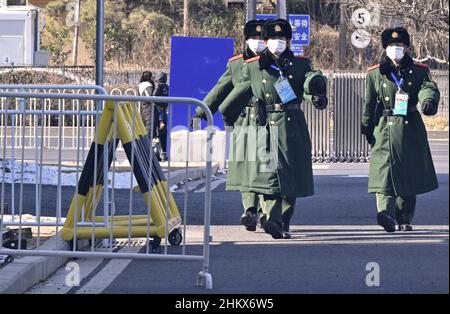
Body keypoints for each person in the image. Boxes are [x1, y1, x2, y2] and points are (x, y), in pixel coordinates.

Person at [219, 19, 328, 239]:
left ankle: (283, 220)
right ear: (266, 41)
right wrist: (226, 113)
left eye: (281, 39)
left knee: (290, 174)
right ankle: (271, 218)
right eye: (272, 39)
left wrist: (316, 90)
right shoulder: (254, 66)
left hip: (291, 123)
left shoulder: (300, 64)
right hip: (265, 125)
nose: (277, 43)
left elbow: (307, 82)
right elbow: (238, 92)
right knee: (268, 173)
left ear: (288, 41)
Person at [361, 27, 440, 232]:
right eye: (391, 45)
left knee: (408, 174)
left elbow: (427, 87)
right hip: (384, 126)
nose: (396, 48)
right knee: (383, 173)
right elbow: (369, 104)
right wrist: (367, 126)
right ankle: (384, 213)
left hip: (409, 126)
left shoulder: (419, 70)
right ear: (385, 47)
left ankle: (404, 217)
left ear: (406, 47)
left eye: (400, 45)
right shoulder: (375, 73)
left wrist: (428, 101)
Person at [193, 20, 266, 233]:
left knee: (265, 166)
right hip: (243, 119)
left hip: (267, 119)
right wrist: (201, 111)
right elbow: (220, 89)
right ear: (246, 39)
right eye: (255, 38)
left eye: (263, 38)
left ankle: (264, 209)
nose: (258, 42)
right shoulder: (235, 64)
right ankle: (250, 210)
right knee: (245, 166)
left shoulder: (273, 62)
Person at [153, 72, 169, 161]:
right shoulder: (167, 87)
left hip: (159, 111)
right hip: (164, 111)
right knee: (163, 133)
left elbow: (154, 97)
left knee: (157, 133)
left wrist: (159, 105)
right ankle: (164, 153)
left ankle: (157, 153)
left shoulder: (158, 86)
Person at [138, 71, 158, 140]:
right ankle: (148, 146)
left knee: (143, 127)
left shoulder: (140, 85)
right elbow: (149, 97)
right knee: (149, 127)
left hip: (142, 108)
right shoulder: (147, 85)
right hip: (148, 109)